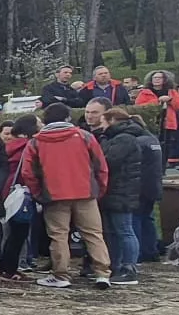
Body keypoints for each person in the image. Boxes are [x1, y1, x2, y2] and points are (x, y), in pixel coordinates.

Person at [20, 102, 112, 289]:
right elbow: (100, 165)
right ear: (68, 117)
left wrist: (38, 193)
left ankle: (61, 274)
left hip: (54, 196)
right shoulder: (85, 136)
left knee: (58, 236)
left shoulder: (36, 142)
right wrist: (99, 189)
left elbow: (28, 172)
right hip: (85, 193)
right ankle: (102, 273)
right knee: (94, 234)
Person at [94, 107, 152, 287]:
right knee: (115, 231)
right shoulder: (120, 138)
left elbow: (108, 161)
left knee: (124, 230)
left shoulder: (124, 139)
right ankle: (118, 266)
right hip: (118, 191)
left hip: (121, 191)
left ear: (111, 121)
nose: (101, 126)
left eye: (103, 122)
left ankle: (129, 268)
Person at [0, 116, 40, 282]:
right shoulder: (29, 146)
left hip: (8, 191)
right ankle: (10, 269)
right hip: (21, 191)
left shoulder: (9, 146)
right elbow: (28, 171)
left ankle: (4, 266)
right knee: (19, 233)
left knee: (12, 232)